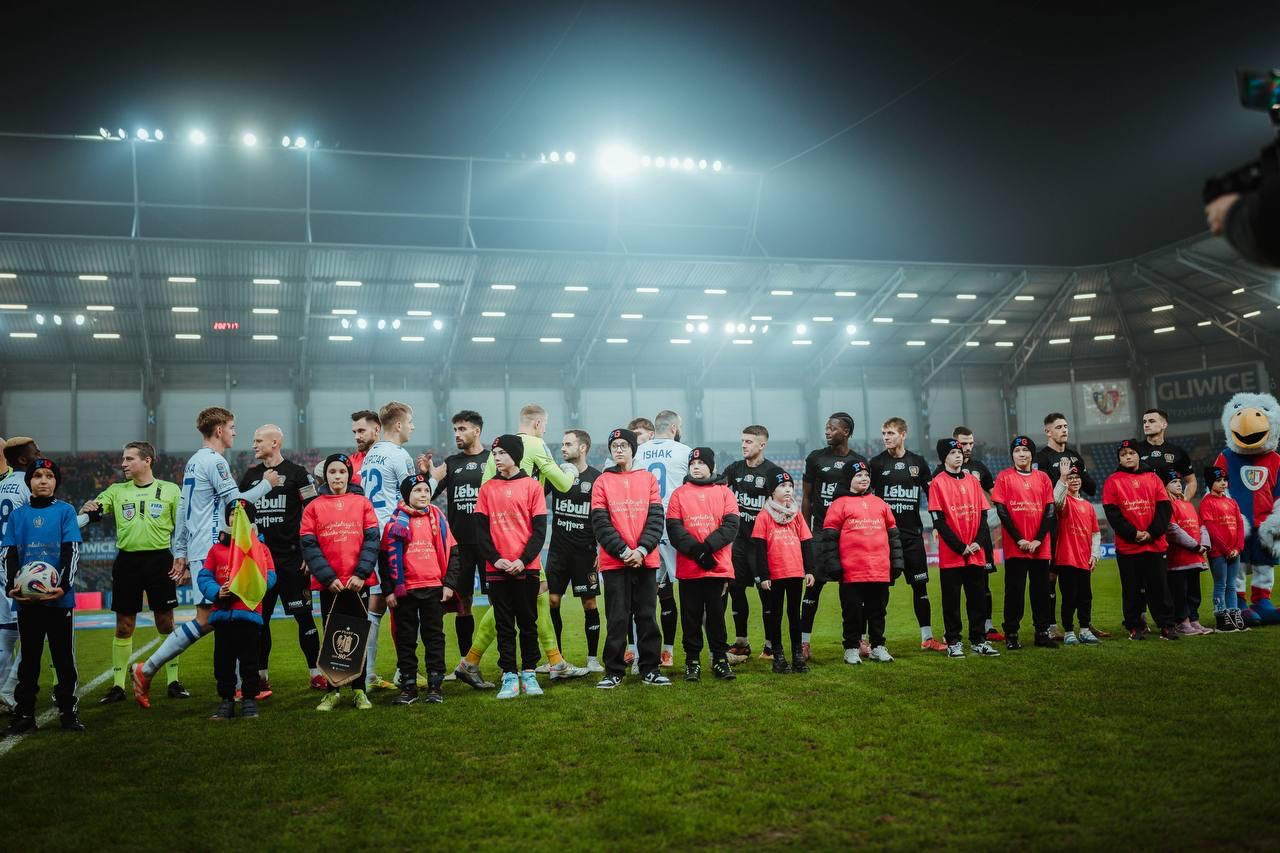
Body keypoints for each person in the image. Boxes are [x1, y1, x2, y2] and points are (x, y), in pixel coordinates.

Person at [133, 407, 281, 708]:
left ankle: (241, 687)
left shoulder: (194, 461)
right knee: (208, 619)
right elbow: (236, 503)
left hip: (203, 547)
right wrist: (267, 484)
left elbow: (185, 509)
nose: (235, 432)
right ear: (219, 430)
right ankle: (147, 669)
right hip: (212, 549)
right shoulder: (215, 461)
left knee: (229, 614)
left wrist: (181, 550)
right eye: (232, 427)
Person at [80, 442, 183, 704]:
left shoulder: (171, 490)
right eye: (123, 459)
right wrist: (88, 507)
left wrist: (184, 559)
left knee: (166, 623)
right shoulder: (116, 491)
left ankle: (173, 681)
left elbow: (183, 528)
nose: (123, 464)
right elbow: (95, 509)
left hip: (160, 560)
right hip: (127, 562)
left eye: (129, 459)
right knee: (124, 625)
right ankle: (118, 686)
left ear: (147, 460)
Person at [239, 425, 323, 697]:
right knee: (259, 622)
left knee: (304, 617)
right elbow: (239, 514)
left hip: (292, 560)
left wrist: (309, 553)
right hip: (259, 562)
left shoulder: (298, 473)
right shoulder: (250, 476)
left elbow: (313, 512)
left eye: (258, 440)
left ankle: (316, 674)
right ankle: (261, 677)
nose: (253, 445)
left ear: (274, 443)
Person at [1, 458, 82, 735]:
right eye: (37, 476)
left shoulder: (65, 511)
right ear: (30, 482)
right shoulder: (18, 515)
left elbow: (71, 551)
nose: (43, 480)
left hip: (59, 600)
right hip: (27, 600)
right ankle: (25, 713)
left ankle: (68, 711)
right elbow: (10, 554)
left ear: (56, 481)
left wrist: (64, 586)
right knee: (29, 660)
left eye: (49, 475)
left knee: (63, 658)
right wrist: (12, 587)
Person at [301, 453, 380, 711]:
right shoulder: (313, 507)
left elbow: (372, 540)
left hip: (358, 582)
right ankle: (332, 691)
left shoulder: (363, 503)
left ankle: (359, 690)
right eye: (332, 472)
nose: (337, 476)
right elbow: (309, 546)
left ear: (349, 475)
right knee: (331, 635)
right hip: (330, 584)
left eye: (342, 472)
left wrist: (361, 574)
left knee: (359, 634)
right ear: (326, 476)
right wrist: (328, 577)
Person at [591, 428, 669, 689]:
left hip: (645, 560)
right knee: (617, 618)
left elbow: (656, 519)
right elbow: (600, 523)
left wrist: (642, 550)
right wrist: (625, 552)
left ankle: (650, 669)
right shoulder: (602, 481)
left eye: (624, 445)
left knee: (647, 616)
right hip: (616, 562)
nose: (619, 449)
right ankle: (613, 671)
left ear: (633, 449)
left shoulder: (648, 479)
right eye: (614, 446)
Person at [475, 436, 547, 700]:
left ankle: (529, 672)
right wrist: (495, 559)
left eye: (502, 452)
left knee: (528, 623)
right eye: (494, 453)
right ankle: (508, 674)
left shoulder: (532, 486)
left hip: (526, 568)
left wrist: (522, 560)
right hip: (497, 569)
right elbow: (480, 531)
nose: (496, 457)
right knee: (504, 624)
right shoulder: (487, 489)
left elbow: (539, 531)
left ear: (515, 455)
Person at [382, 474, 460, 705]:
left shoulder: (439, 518)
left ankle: (435, 686)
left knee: (434, 638)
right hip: (405, 591)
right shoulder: (395, 523)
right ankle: (408, 687)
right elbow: (384, 559)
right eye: (417, 490)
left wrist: (449, 584)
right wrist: (388, 591)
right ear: (407, 494)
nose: (424, 494)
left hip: (434, 588)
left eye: (426, 490)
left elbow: (454, 552)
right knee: (406, 640)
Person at [361, 400, 420, 691]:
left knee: (376, 603)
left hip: (371, 533)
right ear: (398, 425)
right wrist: (433, 478)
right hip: (392, 536)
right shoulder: (399, 455)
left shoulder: (371, 455)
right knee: (407, 602)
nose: (412, 427)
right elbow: (415, 497)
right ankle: (403, 671)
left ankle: (369, 673)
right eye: (410, 422)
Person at [665, 447, 739, 682]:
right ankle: (692, 661)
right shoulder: (679, 494)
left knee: (717, 616)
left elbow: (731, 526)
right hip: (689, 569)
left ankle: (720, 660)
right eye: (692, 464)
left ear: (711, 466)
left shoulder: (724, 492)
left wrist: (707, 548)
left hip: (717, 568)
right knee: (691, 617)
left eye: (701, 463)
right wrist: (697, 552)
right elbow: (674, 529)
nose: (696, 467)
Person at [869, 418, 942, 652]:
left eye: (890, 433)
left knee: (920, 587)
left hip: (912, 537)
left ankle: (927, 638)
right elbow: (865, 496)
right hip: (885, 538)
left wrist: (937, 524)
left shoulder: (917, 462)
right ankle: (873, 641)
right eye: (884, 433)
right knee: (879, 592)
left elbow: (932, 494)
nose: (886, 437)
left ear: (903, 434)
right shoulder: (876, 463)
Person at [199, 500, 276, 721]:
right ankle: (226, 700)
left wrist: (248, 587)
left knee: (250, 661)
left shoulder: (260, 549)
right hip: (223, 616)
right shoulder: (216, 550)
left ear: (250, 520)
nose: (235, 517)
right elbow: (204, 576)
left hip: (248, 615)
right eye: (232, 513)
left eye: (240, 513)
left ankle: (249, 700)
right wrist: (217, 592)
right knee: (223, 662)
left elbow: (270, 576)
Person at [799, 413, 866, 661]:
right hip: (820, 534)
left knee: (855, 592)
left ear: (846, 432)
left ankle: (858, 640)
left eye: (832, 428)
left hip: (849, 536)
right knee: (812, 589)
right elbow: (807, 498)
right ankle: (804, 643)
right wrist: (805, 532)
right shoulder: (815, 458)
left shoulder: (859, 461)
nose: (827, 431)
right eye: (826, 427)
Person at [823, 461, 902, 665]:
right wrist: (834, 566)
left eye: (866, 475)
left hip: (879, 570)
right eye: (858, 475)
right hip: (852, 572)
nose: (864, 478)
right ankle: (851, 648)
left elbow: (893, 536)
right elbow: (830, 539)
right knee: (852, 613)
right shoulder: (839, 504)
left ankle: (877, 647)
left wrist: (896, 563)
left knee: (878, 612)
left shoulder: (880, 503)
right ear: (848, 479)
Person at [928, 439, 1000, 658]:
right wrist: (960, 547)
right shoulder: (937, 483)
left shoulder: (972, 481)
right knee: (951, 601)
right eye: (953, 452)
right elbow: (939, 521)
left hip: (976, 551)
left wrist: (978, 541)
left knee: (977, 598)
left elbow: (983, 515)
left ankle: (979, 640)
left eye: (959, 452)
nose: (958, 455)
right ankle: (953, 641)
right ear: (944, 457)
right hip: (953, 554)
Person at [428, 410, 488, 671]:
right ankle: (466, 663)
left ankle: (506, 663)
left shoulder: (492, 460)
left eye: (462, 429)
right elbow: (427, 495)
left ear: (477, 430)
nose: (457, 434)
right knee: (463, 604)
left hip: (489, 544)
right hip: (459, 546)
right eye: (455, 430)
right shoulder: (451, 463)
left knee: (499, 604)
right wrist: (430, 476)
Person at [1102, 439, 1177, 641]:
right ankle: (1135, 626)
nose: (1128, 457)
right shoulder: (1112, 481)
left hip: (1155, 545)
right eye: (1123, 454)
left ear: (1138, 455)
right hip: (1128, 547)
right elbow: (1113, 514)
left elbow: (1164, 509)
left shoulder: (1153, 478)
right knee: (1132, 590)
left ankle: (1167, 625)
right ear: (1119, 459)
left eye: (1131, 453)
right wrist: (1133, 534)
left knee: (1160, 588)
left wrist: (1151, 533)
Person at [633, 410, 691, 669]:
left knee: (643, 597)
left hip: (645, 527)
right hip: (677, 527)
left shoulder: (638, 451)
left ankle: (639, 658)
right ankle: (704, 655)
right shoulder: (685, 451)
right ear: (675, 428)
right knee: (693, 592)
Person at [722, 425, 785, 663]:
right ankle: (741, 643)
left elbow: (783, 505)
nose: (743, 445)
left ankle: (770, 645)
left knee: (766, 593)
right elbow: (718, 487)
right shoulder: (735, 469)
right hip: (739, 542)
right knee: (736, 589)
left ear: (762, 444)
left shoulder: (773, 472)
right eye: (742, 441)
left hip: (762, 544)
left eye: (749, 441)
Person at [1035, 412, 1098, 641]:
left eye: (1065, 426)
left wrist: (1077, 473)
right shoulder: (1041, 458)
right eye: (1059, 427)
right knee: (1051, 576)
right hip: (1051, 523)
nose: (1064, 430)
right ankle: (1051, 625)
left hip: (1072, 521)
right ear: (1048, 431)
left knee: (1079, 579)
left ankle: (1085, 624)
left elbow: (1091, 487)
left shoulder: (1074, 456)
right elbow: (1040, 491)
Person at [544, 429, 603, 671]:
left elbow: (603, 516)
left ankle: (592, 659)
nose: (563, 448)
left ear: (583, 448)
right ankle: (556, 659)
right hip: (558, 551)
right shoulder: (557, 475)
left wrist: (601, 547)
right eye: (563, 444)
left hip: (585, 552)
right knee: (552, 601)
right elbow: (536, 493)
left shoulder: (597, 478)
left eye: (568, 444)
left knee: (589, 603)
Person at [991, 436, 1056, 649]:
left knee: (1041, 592)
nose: (1021, 454)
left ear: (1032, 454)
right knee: (1014, 592)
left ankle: (1042, 633)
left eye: (1025, 450)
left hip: (1040, 547)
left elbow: (1050, 510)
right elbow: (1002, 511)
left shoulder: (1043, 478)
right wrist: (1019, 538)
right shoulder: (1004, 477)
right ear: (1012, 455)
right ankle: (1011, 634)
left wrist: (1038, 539)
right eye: (1017, 450)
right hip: (1015, 547)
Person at [751, 471, 814, 674]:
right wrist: (764, 576)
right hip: (775, 575)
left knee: (795, 616)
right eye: (782, 486)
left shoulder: (796, 514)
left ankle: (797, 657)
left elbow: (806, 542)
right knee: (775, 616)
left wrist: (809, 570)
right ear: (772, 491)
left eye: (790, 486)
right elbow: (759, 548)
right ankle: (778, 657)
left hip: (795, 572)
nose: (788, 490)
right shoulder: (764, 516)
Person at [949, 427, 1002, 643]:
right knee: (954, 586)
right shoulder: (944, 470)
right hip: (956, 535)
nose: (968, 447)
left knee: (982, 582)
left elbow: (995, 494)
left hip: (980, 533)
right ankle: (953, 631)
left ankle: (987, 626)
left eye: (971, 443)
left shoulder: (979, 468)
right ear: (955, 442)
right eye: (964, 443)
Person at [0, 437, 39, 701]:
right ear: (23, 459)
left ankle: (4, 689)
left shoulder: (2, 485)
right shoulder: (28, 483)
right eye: (35, 452)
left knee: (6, 630)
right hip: (17, 563)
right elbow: (48, 518)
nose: (40, 454)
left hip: (2, 559)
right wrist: (86, 517)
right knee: (34, 630)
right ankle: (10, 690)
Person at [1052, 463, 1102, 645]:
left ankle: (1085, 630)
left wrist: (1094, 555)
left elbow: (1095, 533)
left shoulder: (1089, 506)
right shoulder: (1065, 502)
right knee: (1069, 597)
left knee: (1085, 597)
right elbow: (1056, 500)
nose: (1074, 480)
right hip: (1067, 558)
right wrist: (1062, 478)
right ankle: (1068, 631)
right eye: (1071, 478)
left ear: (1081, 481)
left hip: (1084, 559)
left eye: (1076, 478)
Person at [1160, 470, 1213, 636]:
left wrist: (1205, 544)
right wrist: (1195, 546)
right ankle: (1182, 622)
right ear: (1165, 486)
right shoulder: (1167, 505)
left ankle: (1194, 619)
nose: (1178, 484)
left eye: (1179, 481)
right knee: (1179, 592)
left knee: (1193, 592)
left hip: (1195, 557)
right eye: (1173, 482)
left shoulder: (1188, 504)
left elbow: (1201, 525)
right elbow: (1172, 530)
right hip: (1178, 559)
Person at [1199, 466, 1247, 632]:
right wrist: (1226, 550)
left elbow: (1240, 525)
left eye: (1225, 480)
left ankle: (1233, 614)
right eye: (1218, 480)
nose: (1223, 483)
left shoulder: (1232, 502)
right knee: (1221, 584)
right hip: (1218, 552)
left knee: (1232, 585)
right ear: (1210, 482)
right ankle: (1221, 617)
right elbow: (1212, 529)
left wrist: (1238, 548)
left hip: (1234, 551)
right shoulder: (1207, 502)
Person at [1136, 408, 1196, 498]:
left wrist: (1185, 501)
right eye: (1144, 422)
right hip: (1143, 502)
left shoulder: (1177, 451)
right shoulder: (1135, 450)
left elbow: (1191, 481)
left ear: (1164, 424)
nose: (1146, 425)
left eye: (1151, 421)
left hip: (1169, 504)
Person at [348, 409, 382, 488]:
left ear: (377, 430)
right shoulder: (349, 463)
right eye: (355, 432)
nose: (356, 437)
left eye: (361, 431)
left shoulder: (392, 457)